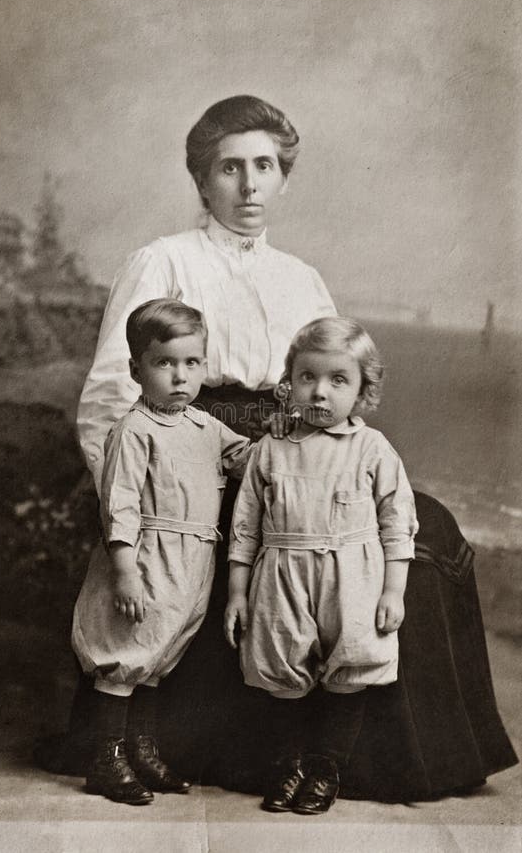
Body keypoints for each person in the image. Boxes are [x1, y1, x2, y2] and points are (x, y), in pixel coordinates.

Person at [36, 94, 517, 800]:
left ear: (283, 176)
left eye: (264, 165)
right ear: (202, 180)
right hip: (187, 459)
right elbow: (112, 395)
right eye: (230, 167)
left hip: (287, 452)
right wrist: (129, 508)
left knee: (425, 527)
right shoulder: (163, 261)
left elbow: (325, 387)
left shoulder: (300, 278)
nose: (249, 184)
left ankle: (380, 755)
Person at [225, 316, 417, 814]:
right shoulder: (272, 448)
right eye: (307, 377)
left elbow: (398, 524)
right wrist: (237, 593)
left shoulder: (372, 449)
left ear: (362, 390)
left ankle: (326, 768)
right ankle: (286, 767)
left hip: (353, 576)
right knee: (280, 667)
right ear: (289, 382)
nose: (320, 393)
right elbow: (244, 528)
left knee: (350, 668)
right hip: (281, 574)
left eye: (338, 380)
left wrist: (393, 590)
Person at [72, 298, 252, 804]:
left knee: (158, 656)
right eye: (164, 363)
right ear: (136, 369)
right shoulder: (134, 430)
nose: (179, 377)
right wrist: (124, 570)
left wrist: (286, 442)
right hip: (147, 558)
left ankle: (140, 750)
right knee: (126, 655)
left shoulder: (203, 426)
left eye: (191, 363)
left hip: (193, 561)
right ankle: (105, 759)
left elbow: (244, 458)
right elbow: (120, 506)